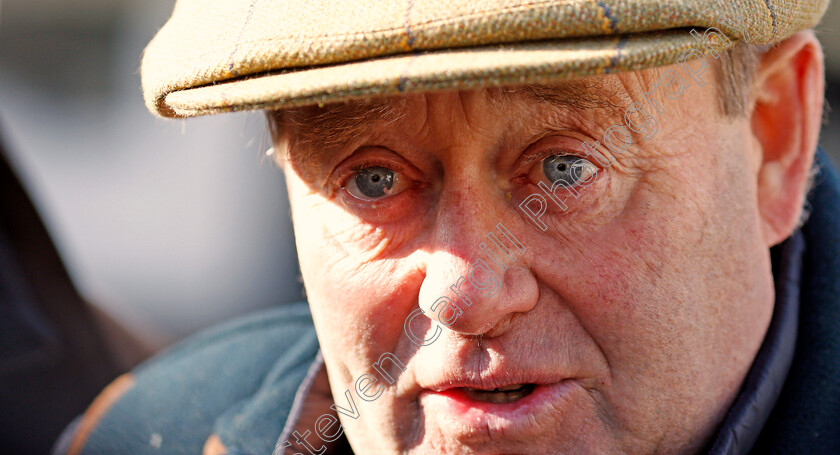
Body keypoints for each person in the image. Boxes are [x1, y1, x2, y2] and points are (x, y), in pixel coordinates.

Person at [55, 0, 840, 454]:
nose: (461, 295)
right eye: (373, 179)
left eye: (564, 169)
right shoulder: (145, 433)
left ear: (775, 140)